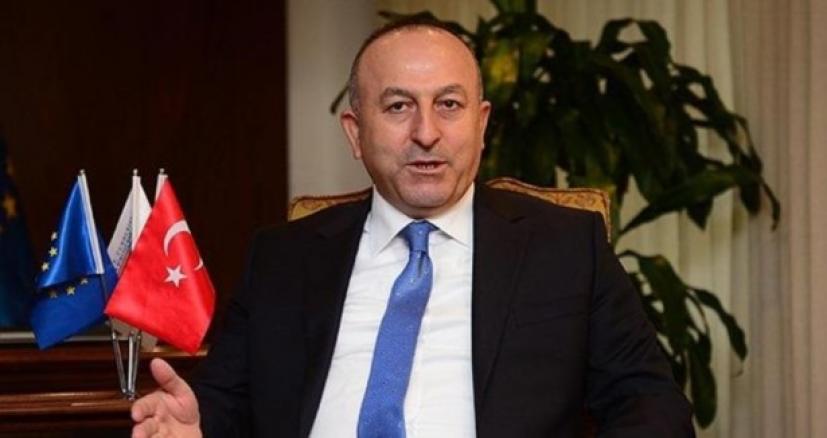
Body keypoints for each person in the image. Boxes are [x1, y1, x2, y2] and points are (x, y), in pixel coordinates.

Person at [131, 18, 694, 438]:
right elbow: (228, 400)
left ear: (481, 124)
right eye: (398, 107)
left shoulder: (565, 248)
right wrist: (197, 423)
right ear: (355, 132)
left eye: (449, 104)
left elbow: (652, 404)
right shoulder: (283, 256)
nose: (426, 132)